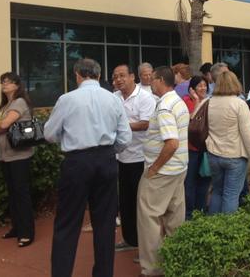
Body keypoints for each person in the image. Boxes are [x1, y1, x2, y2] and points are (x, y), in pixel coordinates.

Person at [44, 59, 132, 277]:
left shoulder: (67, 99)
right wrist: (108, 151)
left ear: (77, 75)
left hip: (77, 161)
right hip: (106, 160)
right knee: (105, 224)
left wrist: (69, 138)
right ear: (99, 75)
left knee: (67, 223)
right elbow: (125, 137)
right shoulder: (113, 99)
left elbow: (49, 134)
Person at [137, 66, 189, 277]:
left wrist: (154, 168)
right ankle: (177, 262)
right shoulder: (178, 101)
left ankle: (153, 269)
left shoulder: (165, 106)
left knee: (149, 218)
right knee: (174, 219)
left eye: (152, 79)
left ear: (160, 80)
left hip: (163, 172)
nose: (150, 82)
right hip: (178, 169)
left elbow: (172, 143)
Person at [206, 71, 250, 214]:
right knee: (231, 195)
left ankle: (212, 225)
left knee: (217, 192)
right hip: (235, 155)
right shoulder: (239, 104)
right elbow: (248, 134)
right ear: (235, 83)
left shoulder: (209, 102)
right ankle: (228, 227)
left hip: (213, 154)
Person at [111, 64, 156, 252]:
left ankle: (146, 247)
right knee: (126, 202)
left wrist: (121, 126)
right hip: (121, 157)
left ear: (132, 77)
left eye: (122, 75)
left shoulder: (145, 97)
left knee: (142, 204)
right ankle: (130, 240)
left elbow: (146, 123)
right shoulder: (113, 97)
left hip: (140, 158)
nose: (118, 79)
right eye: (115, 77)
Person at [0, 72, 35, 247]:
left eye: (8, 82)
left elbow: (2, 124)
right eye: (2, 82)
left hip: (19, 155)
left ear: (17, 85)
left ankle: (27, 233)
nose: (4, 84)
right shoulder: (5, 106)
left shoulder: (19, 102)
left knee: (21, 194)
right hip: (5, 155)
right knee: (13, 194)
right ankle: (17, 227)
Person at [182, 75, 211, 219]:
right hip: (190, 148)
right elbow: (190, 122)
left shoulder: (210, 101)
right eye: (199, 85)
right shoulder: (185, 101)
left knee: (204, 180)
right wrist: (197, 102)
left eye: (205, 85)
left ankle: (200, 211)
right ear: (192, 89)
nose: (203, 88)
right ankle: (188, 214)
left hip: (205, 149)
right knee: (190, 182)